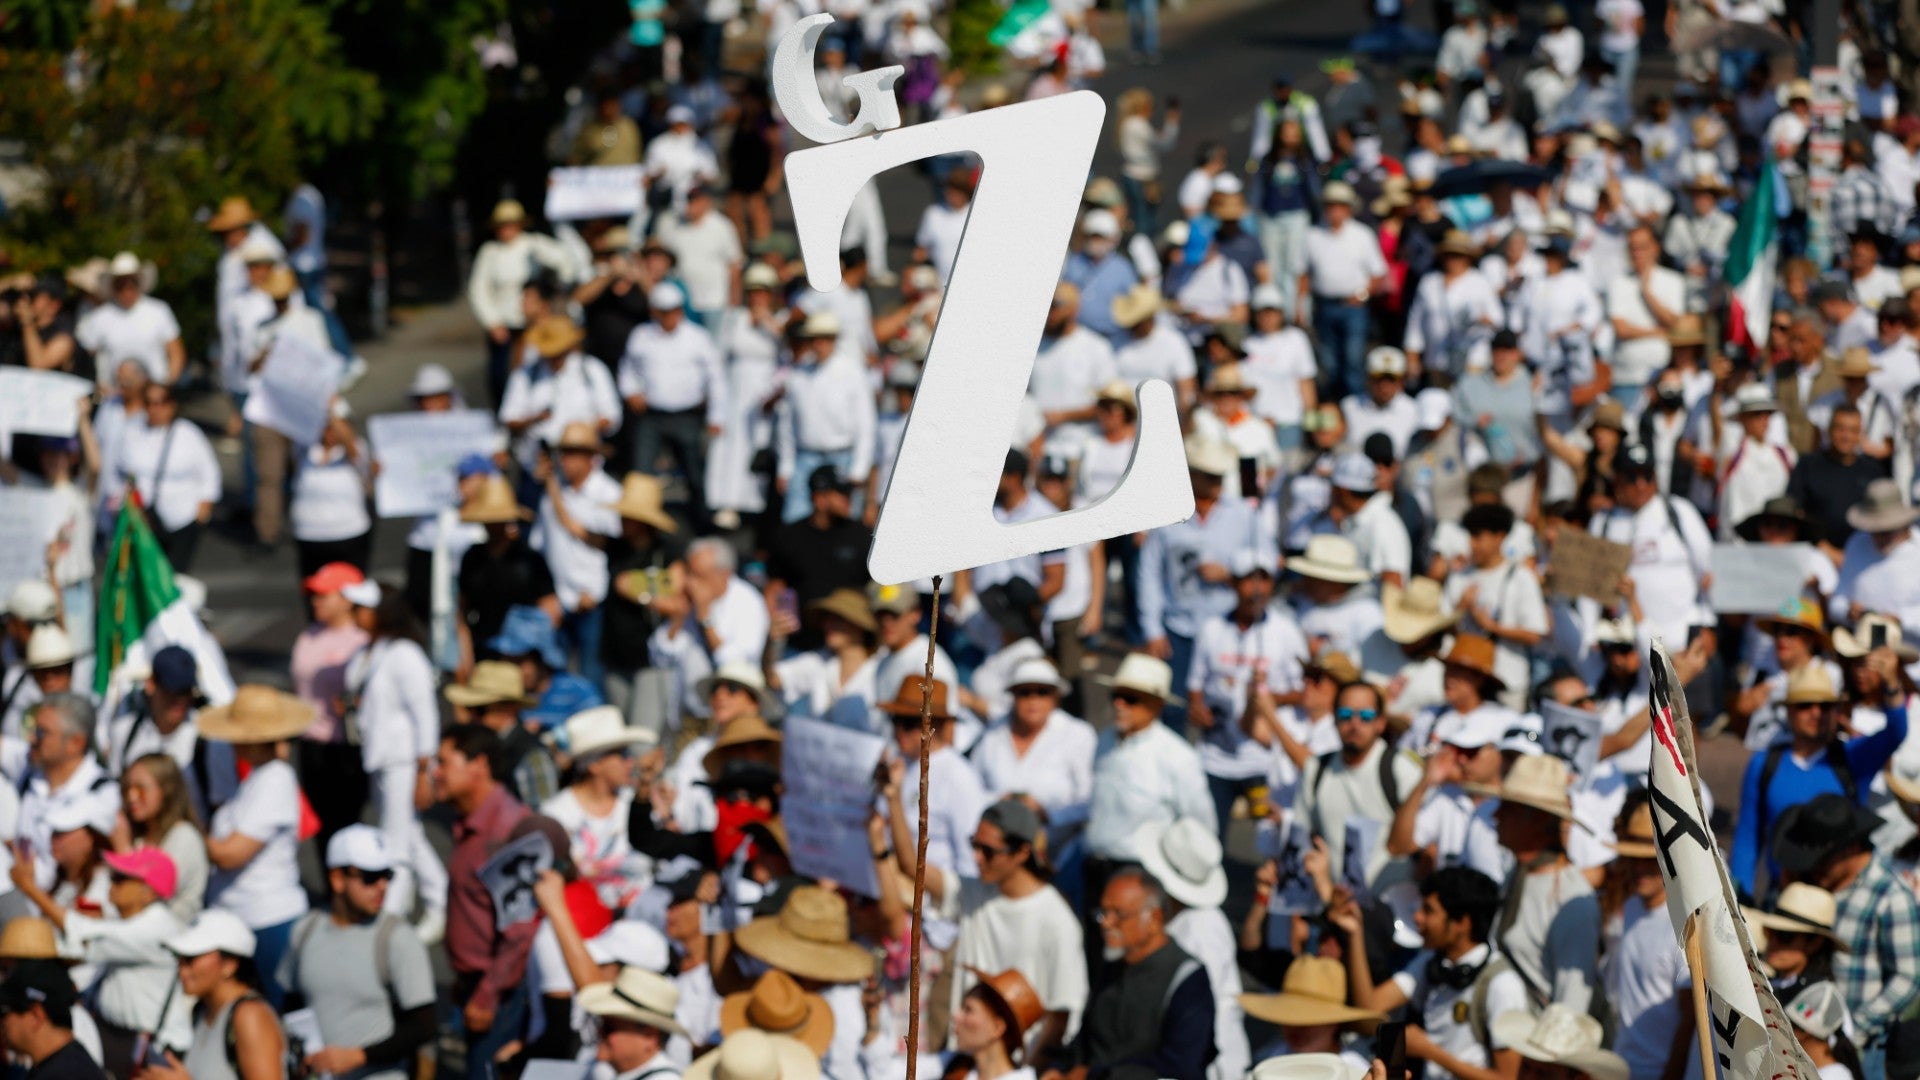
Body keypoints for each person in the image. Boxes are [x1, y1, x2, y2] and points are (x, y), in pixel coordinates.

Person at [1772, 793, 1920, 1078]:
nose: (1813, 866)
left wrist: (1856, 1028)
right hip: (1802, 1041)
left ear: (1850, 849)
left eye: (1822, 859)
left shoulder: (1890, 896)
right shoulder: (1817, 883)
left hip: (1861, 1050)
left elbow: (1909, 976)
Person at [1732, 659, 1907, 898]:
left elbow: (1897, 731)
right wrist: (1740, 899)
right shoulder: (1763, 764)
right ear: (1789, 710)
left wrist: (1891, 682)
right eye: (1805, 705)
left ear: (1836, 711)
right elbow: (1747, 838)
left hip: (1843, 897)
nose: (1816, 712)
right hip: (1784, 896)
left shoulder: (1853, 757)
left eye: (1825, 705)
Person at [1336, 866, 1525, 1080]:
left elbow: (1507, 1077)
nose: (1417, 917)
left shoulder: (1502, 984)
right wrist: (1355, 935)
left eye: (1428, 910)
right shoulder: (1430, 963)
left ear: (1462, 923)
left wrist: (1430, 1051)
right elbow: (1369, 1007)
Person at [278, 826, 436, 1080]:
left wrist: (358, 1056)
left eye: (387, 875)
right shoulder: (304, 931)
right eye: (370, 877)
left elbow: (424, 1027)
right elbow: (291, 1005)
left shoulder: (397, 938)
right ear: (337, 879)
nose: (382, 886)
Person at [436, 724, 545, 1080]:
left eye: (443, 763)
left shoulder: (505, 832)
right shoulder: (474, 822)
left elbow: (518, 930)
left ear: (478, 766)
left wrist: (487, 995)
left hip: (499, 996)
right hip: (477, 984)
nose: (435, 773)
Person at [193, 687, 312, 1007]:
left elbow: (230, 854)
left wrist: (190, 831)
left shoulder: (275, 779)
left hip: (266, 922)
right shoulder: (258, 780)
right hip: (249, 917)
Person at [340, 581, 445, 934]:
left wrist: (423, 769)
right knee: (408, 833)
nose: (354, 615)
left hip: (403, 760)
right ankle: (438, 897)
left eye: (360, 609)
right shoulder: (374, 649)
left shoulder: (404, 654)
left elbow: (425, 714)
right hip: (381, 759)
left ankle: (392, 920)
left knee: (396, 841)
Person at [1084, 654, 1215, 920]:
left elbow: (1201, 826)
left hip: (1140, 875)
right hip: (1094, 868)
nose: (1120, 705)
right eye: (1116, 696)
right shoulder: (1106, 740)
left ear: (1156, 705)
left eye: (1131, 699)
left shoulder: (1177, 757)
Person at [1054, 868, 1214, 1080]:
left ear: (1155, 918)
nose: (1106, 923)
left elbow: (1180, 1066)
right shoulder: (1113, 963)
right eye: (1103, 912)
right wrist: (1061, 1068)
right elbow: (1087, 1041)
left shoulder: (1188, 980)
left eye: (1118, 914)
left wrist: (1095, 1075)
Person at [1485, 755, 1601, 1016]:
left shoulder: (1572, 902)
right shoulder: (1519, 873)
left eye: (1508, 808)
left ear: (1536, 819)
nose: (1495, 815)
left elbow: (1571, 1008)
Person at [620, 285, 726, 531]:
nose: (670, 316)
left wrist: (717, 415)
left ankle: (701, 522)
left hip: (687, 416)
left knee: (694, 472)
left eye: (675, 310)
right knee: (642, 473)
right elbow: (627, 369)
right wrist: (631, 391)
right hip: (652, 416)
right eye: (664, 311)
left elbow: (716, 378)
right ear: (655, 311)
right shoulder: (641, 336)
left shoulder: (697, 337)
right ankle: (642, 525)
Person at [151, 910, 286, 1080]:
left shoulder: (249, 1016)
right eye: (179, 957)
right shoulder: (203, 1012)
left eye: (191, 958)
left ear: (229, 964)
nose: (181, 967)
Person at [289, 565, 370, 845]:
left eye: (324, 594)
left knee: (345, 824)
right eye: (314, 595)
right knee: (320, 827)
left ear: (347, 599)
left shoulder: (363, 640)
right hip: (311, 744)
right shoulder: (309, 635)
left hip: (346, 747)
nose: (316, 601)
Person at [468, 200, 574, 405]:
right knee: (501, 374)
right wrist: (492, 322)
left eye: (511, 224)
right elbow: (478, 289)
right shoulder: (490, 252)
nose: (507, 229)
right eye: (502, 225)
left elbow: (564, 262)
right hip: (505, 324)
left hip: (534, 321)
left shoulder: (534, 243)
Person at [110, 381, 219, 571]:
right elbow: (118, 472)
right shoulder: (132, 431)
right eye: (149, 402)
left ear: (172, 405)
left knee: (175, 578)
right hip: (142, 520)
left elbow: (209, 471)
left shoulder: (189, 433)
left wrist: (203, 509)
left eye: (161, 402)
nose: (155, 408)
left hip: (183, 518)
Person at [578, 965, 688, 1080]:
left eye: (609, 1028)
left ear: (649, 1037)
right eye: (600, 1024)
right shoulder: (603, 1071)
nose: (598, 1032)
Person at [0, 961, 106, 1080]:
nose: (2, 1022)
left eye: (3, 1012)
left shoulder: (63, 1075)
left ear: (35, 1016)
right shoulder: (69, 1066)